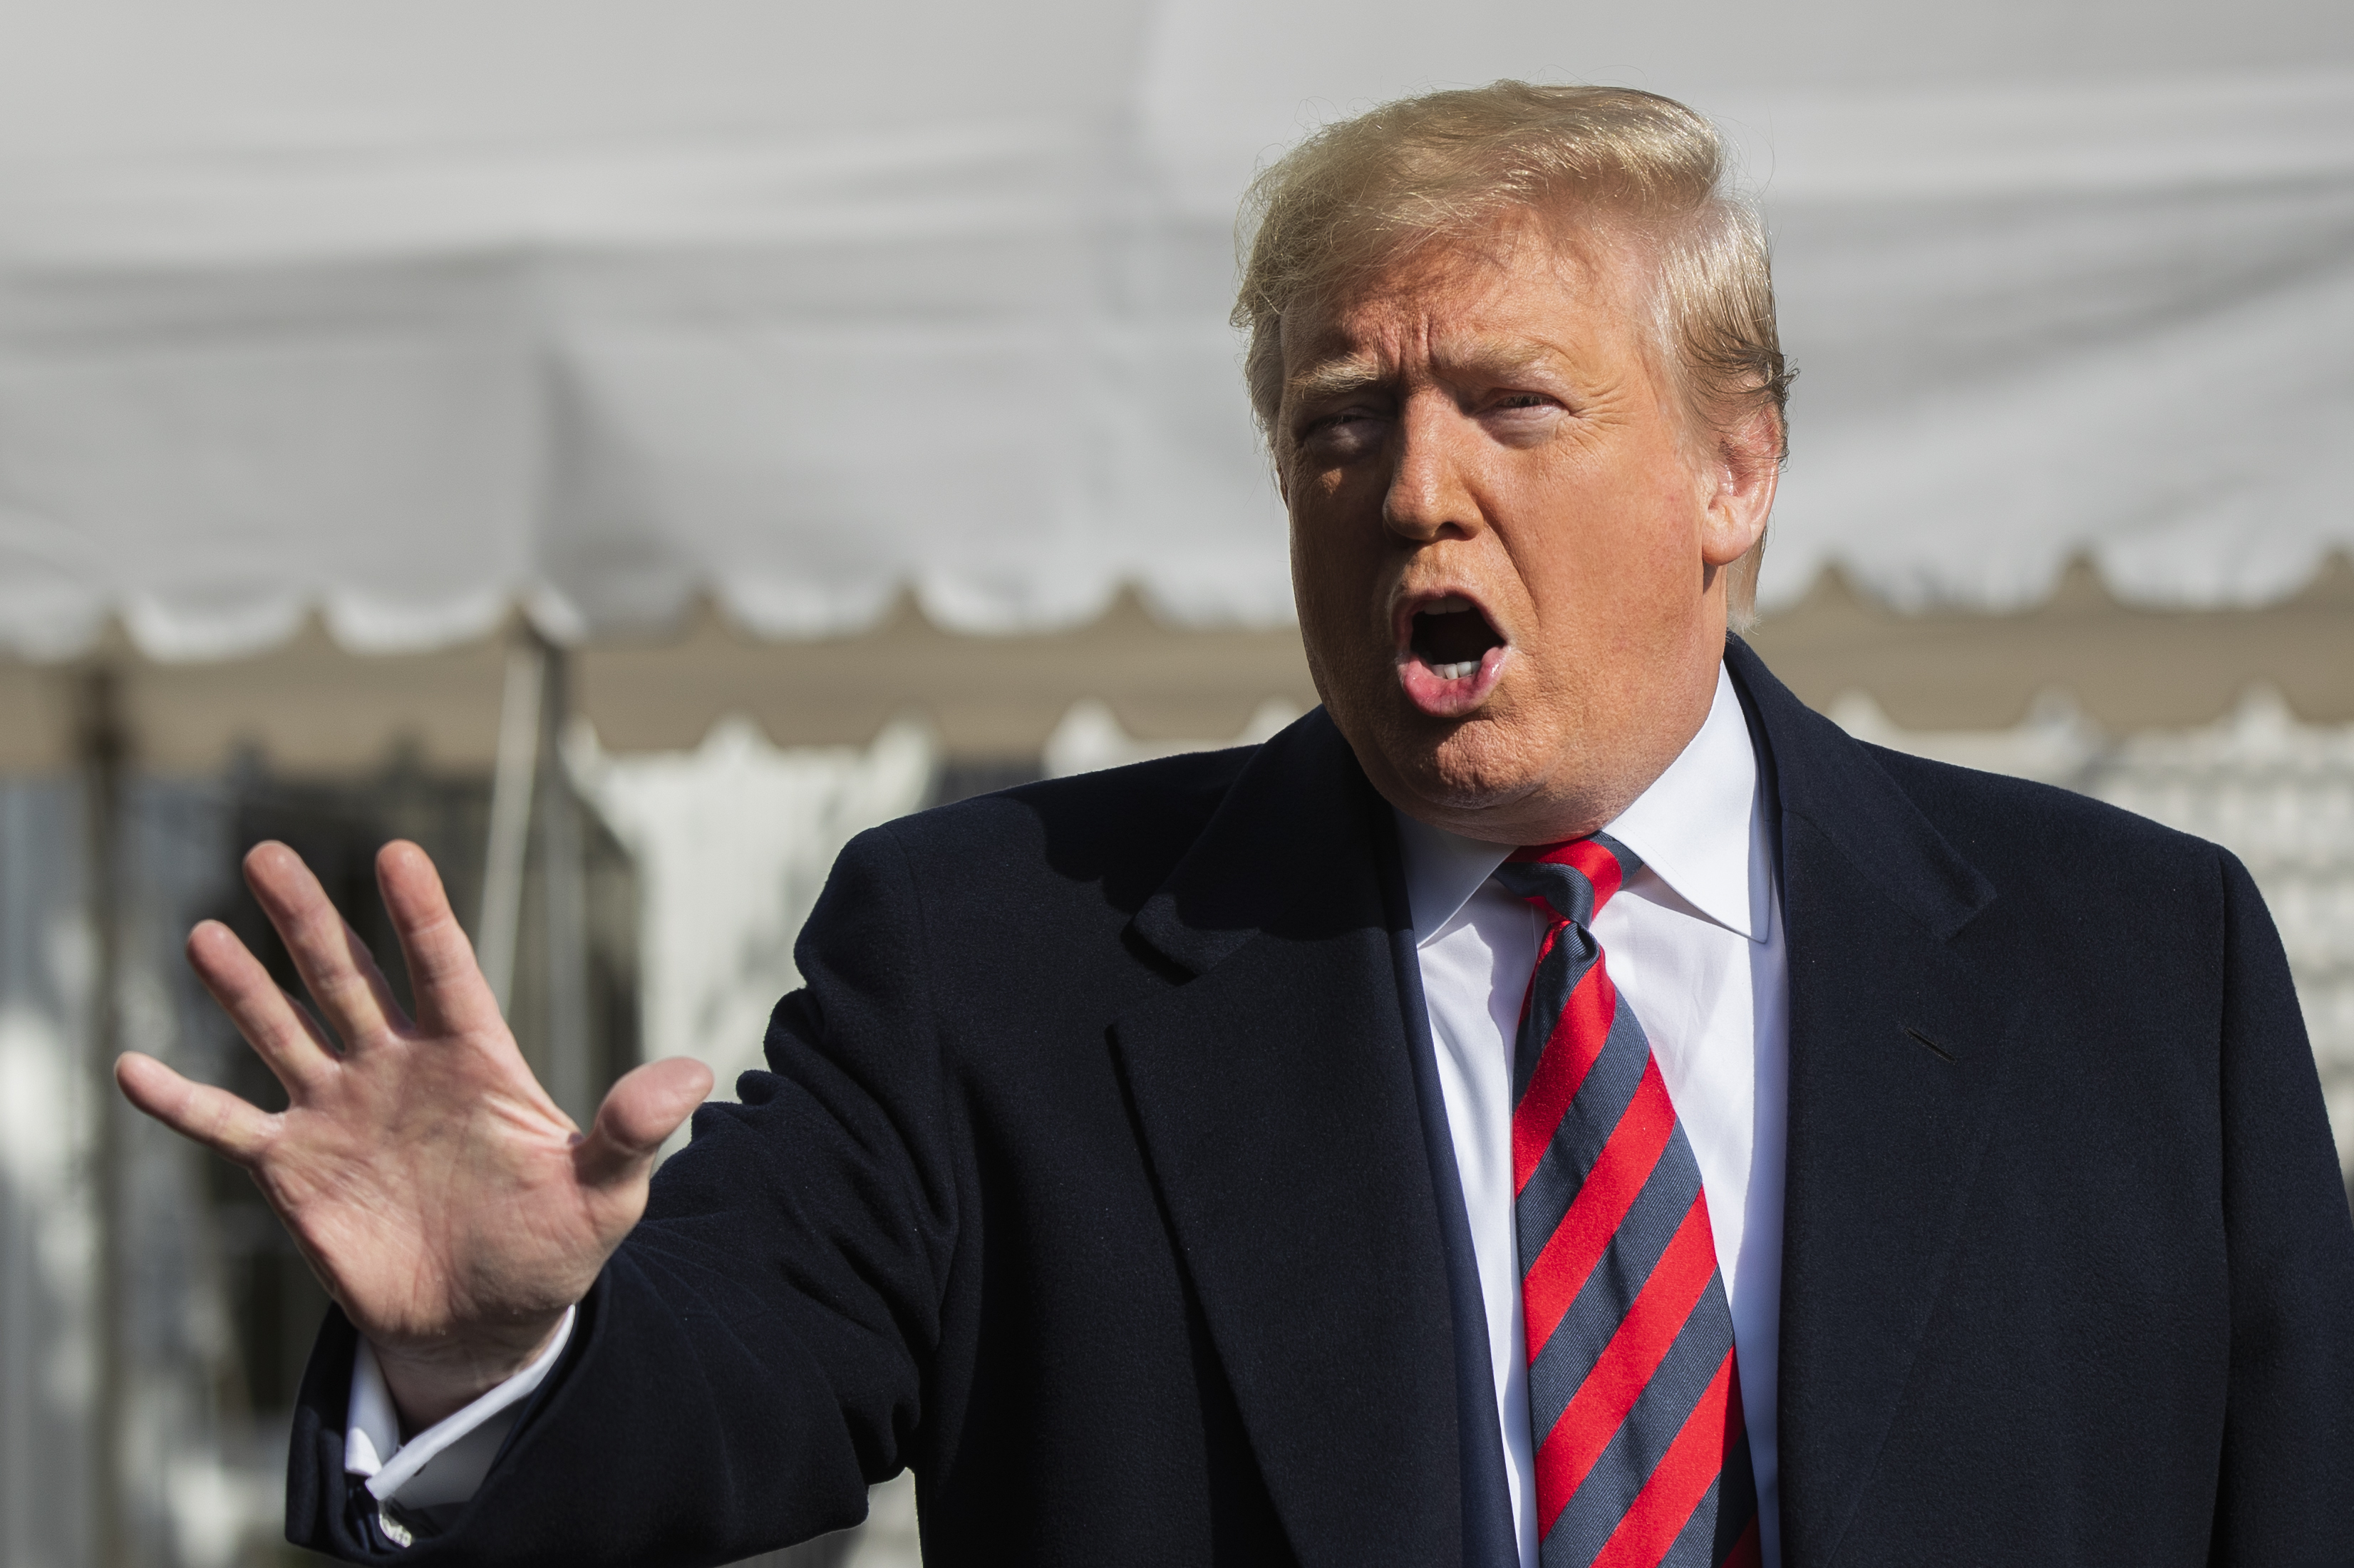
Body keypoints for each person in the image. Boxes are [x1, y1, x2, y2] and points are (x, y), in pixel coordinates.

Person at [120, 82, 2354, 1567]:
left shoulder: (2131, 958)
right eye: (1338, 424)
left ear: (1732, 470)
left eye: (1511, 404)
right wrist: (494, 1353)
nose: (1412, 488)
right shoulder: (1001, 954)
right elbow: (704, 1417)